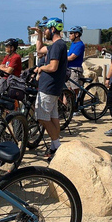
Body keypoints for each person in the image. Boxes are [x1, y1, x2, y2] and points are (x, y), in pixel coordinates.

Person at [30, 17, 67, 161]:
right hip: (52, 87)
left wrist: (40, 68)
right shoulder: (55, 45)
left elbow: (53, 67)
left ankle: (57, 147)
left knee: (42, 117)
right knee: (53, 117)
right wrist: (39, 34)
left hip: (49, 87)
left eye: (46, 29)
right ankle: (54, 146)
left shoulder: (57, 46)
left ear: (52, 29)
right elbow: (39, 50)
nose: (45, 32)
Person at [66, 26, 85, 92]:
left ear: (77, 34)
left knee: (75, 90)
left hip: (75, 70)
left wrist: (61, 58)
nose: (69, 35)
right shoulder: (73, 43)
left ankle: (77, 102)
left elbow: (72, 57)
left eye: (71, 33)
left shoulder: (80, 45)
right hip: (68, 69)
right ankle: (67, 103)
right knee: (67, 90)